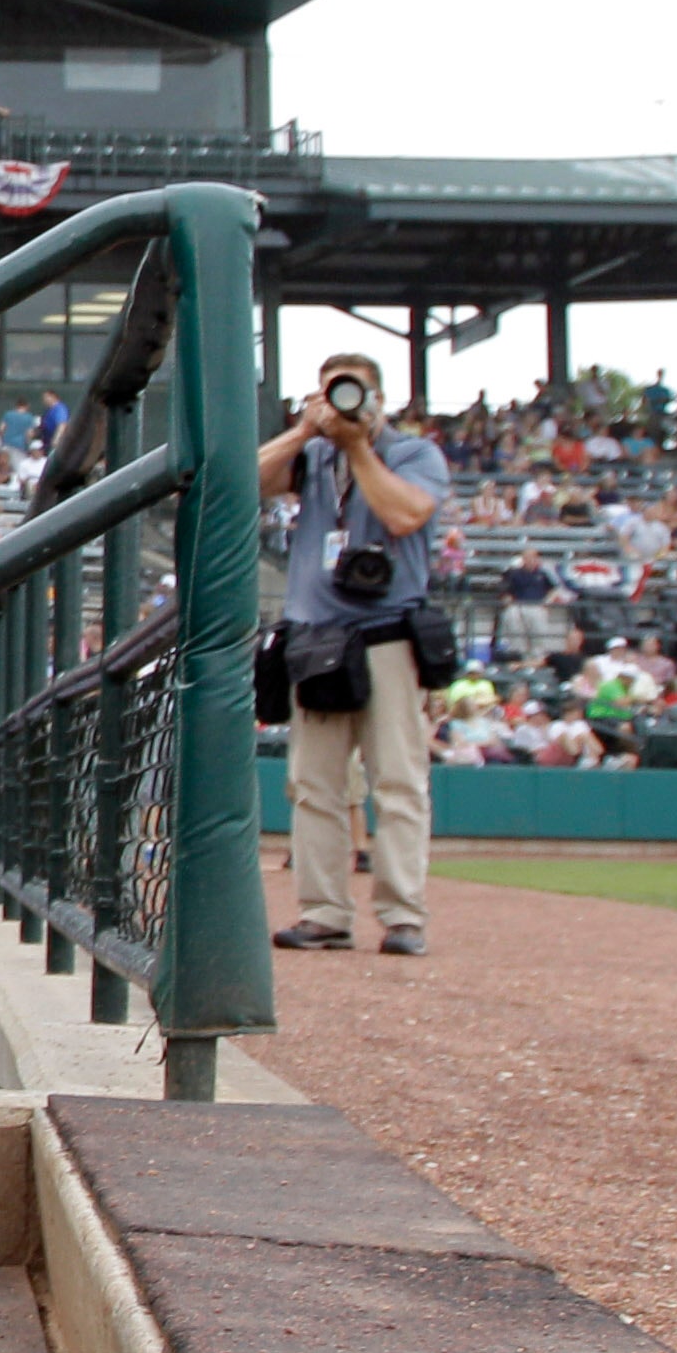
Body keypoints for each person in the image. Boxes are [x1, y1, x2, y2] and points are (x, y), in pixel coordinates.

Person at [263, 353, 451, 957]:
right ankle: (323, 914)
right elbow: (237, 483)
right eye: (330, 394)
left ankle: (403, 917)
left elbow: (404, 514)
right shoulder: (311, 455)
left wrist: (358, 447)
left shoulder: (413, 453)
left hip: (388, 634)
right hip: (317, 640)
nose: (343, 404)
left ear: (379, 401)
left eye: (354, 394)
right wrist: (305, 431)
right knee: (313, 785)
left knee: (398, 780)